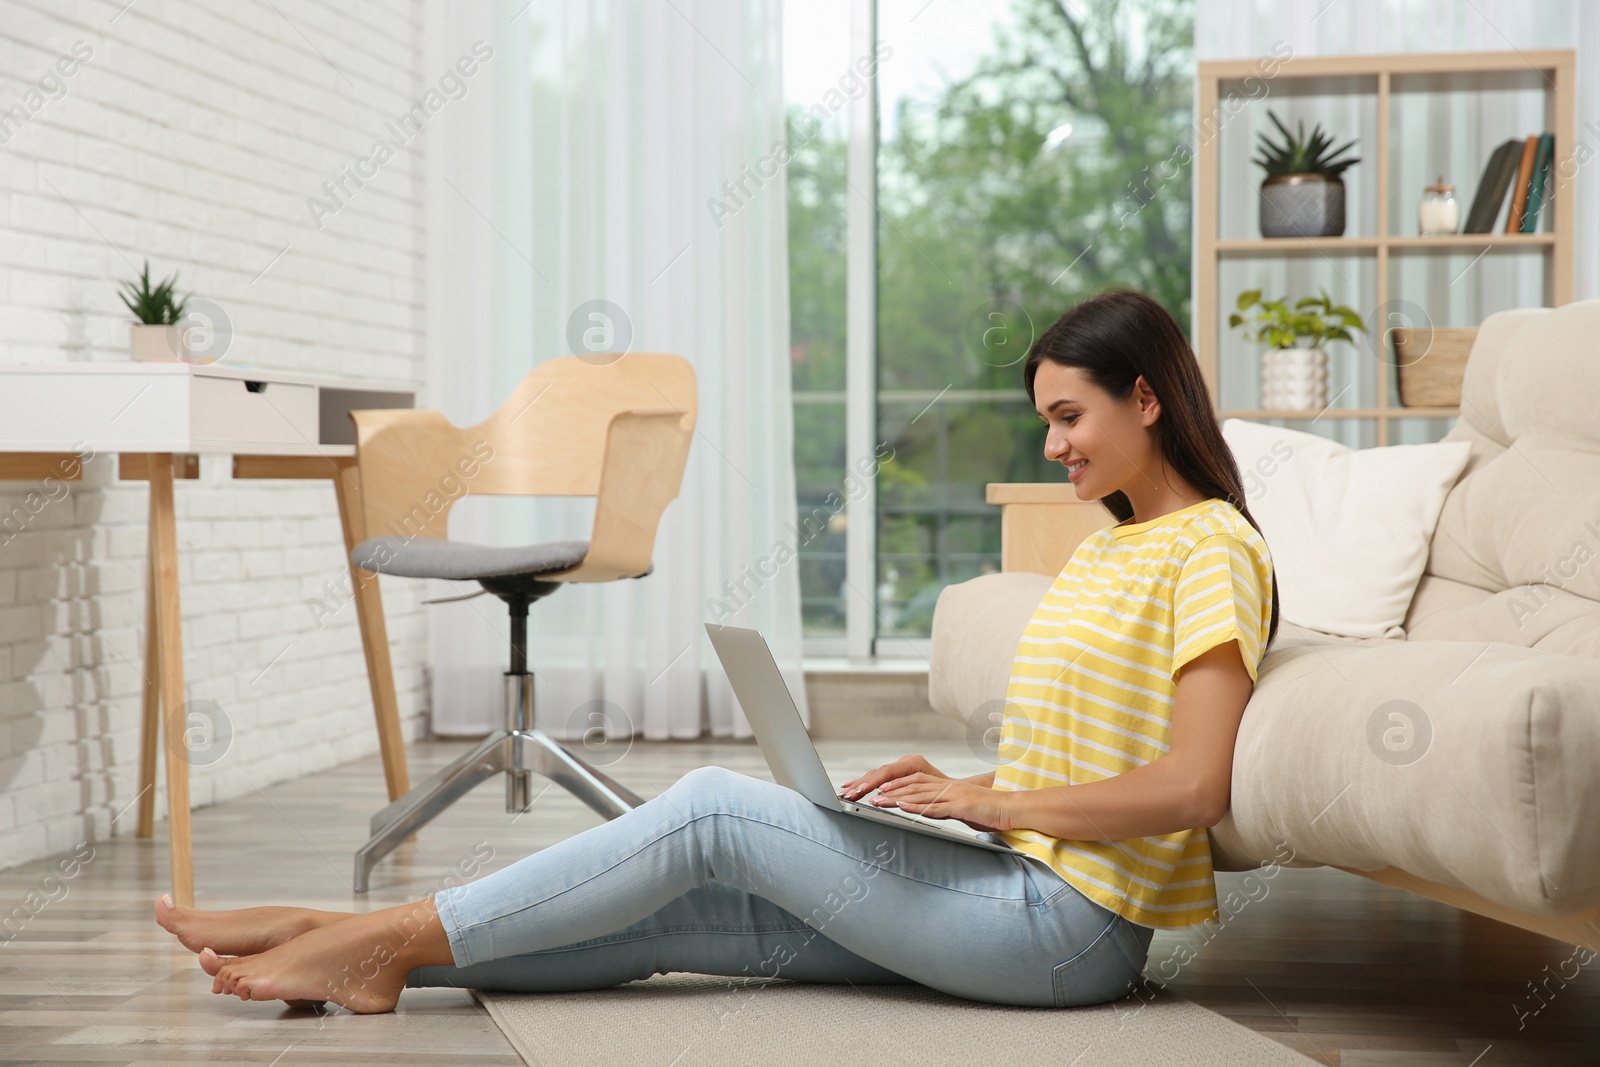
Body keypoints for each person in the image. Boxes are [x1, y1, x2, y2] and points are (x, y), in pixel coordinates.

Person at [154, 287, 1278, 1014]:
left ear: (1146, 396)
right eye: (1046, 417)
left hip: (1070, 931)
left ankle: (382, 931)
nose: (1053, 442)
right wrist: (966, 809)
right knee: (703, 911)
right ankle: (354, 939)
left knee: (710, 808)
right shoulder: (1105, 550)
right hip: (1008, 880)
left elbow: (1193, 783)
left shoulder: (1212, 549)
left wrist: (988, 798)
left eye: (1069, 415)